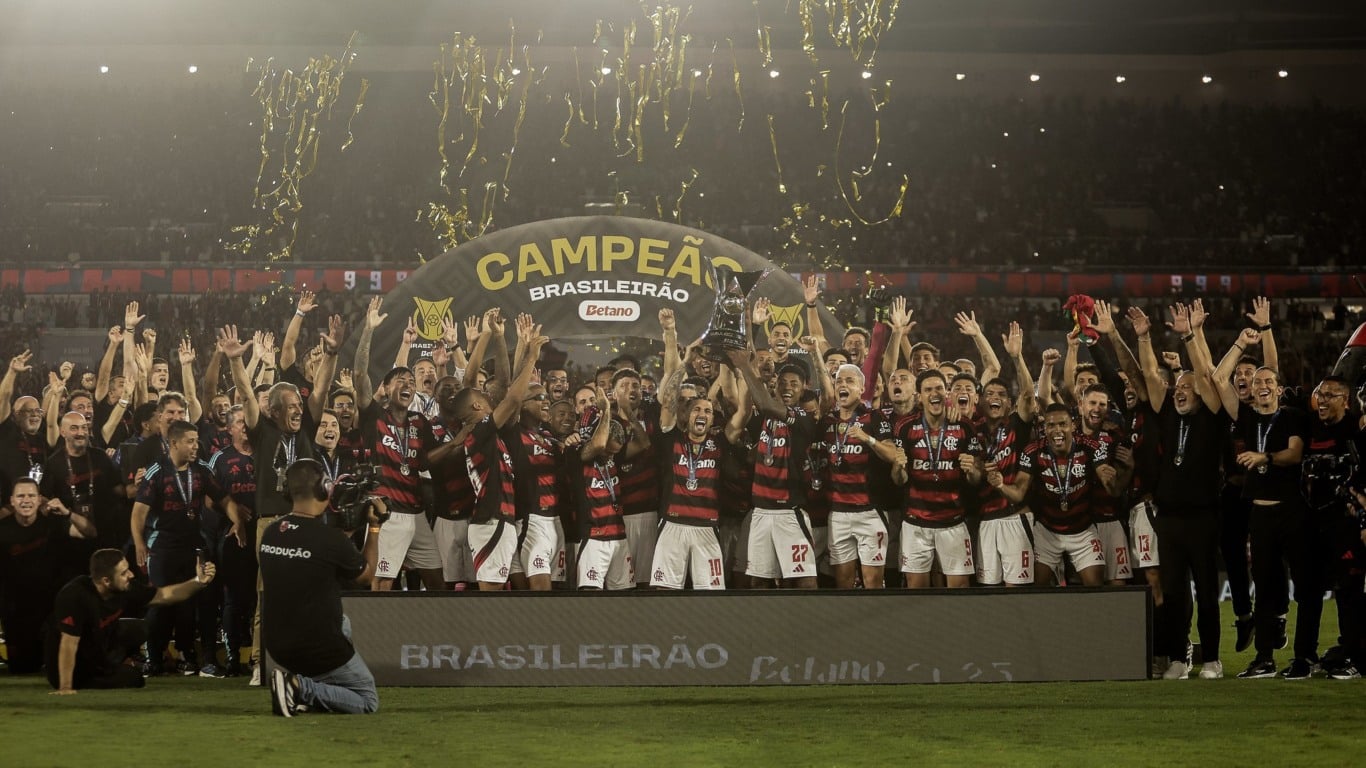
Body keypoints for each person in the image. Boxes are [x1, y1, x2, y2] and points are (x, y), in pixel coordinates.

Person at [260, 458, 383, 716]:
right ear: (326, 488)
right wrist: (374, 527)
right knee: (367, 699)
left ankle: (306, 687)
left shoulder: (270, 533)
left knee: (344, 622)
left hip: (277, 645)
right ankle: (298, 686)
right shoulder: (330, 540)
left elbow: (314, 558)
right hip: (315, 647)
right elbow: (366, 575)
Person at [46, 548, 216, 693]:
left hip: (95, 649)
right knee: (134, 678)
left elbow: (163, 595)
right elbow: (68, 644)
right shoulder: (75, 596)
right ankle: (100, 673)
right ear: (106, 580)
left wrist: (199, 582)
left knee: (139, 628)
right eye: (124, 573)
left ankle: (107, 666)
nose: (131, 574)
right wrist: (65, 688)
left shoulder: (124, 587)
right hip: (70, 667)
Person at [1, 478, 96, 673]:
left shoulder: (53, 524)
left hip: (49, 607)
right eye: (20, 496)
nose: (25, 500)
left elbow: (90, 533)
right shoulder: (2, 529)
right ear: (12, 501)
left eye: (31, 496)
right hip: (15, 608)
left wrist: (68, 513)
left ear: (39, 500)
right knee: (22, 669)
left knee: (53, 665)